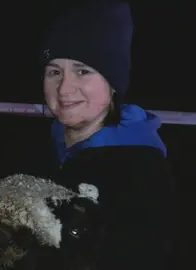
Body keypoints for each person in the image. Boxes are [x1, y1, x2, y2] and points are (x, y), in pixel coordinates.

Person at [35, 0, 175, 269]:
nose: (64, 88)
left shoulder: (141, 172)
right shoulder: (44, 147)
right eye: (54, 72)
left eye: (82, 71)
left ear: (112, 84)